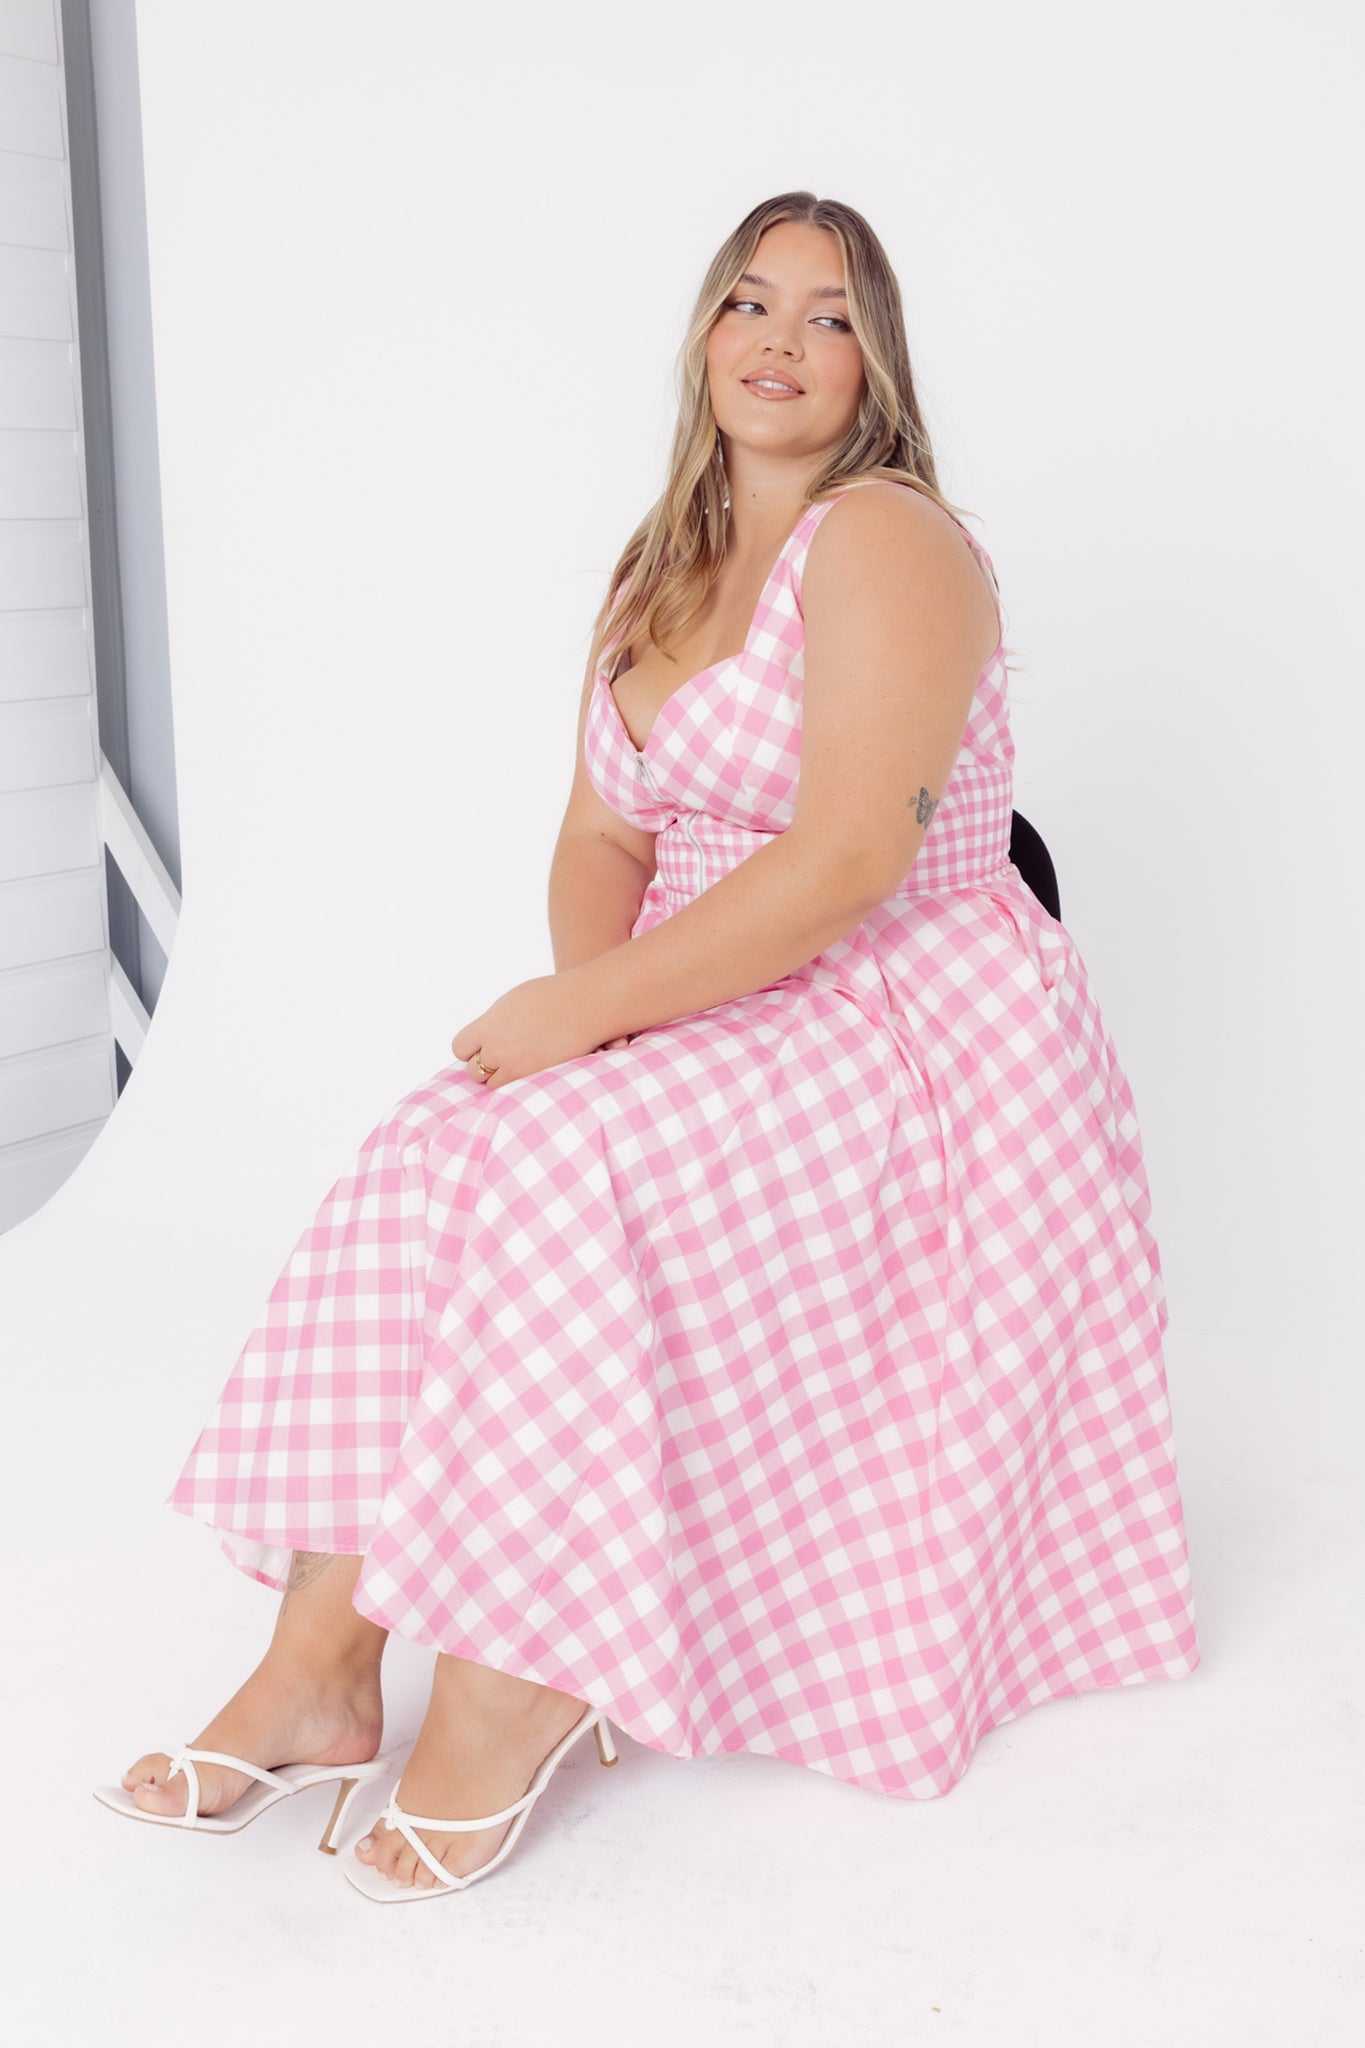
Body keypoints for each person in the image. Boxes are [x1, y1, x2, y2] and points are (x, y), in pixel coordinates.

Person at [96, 192, 1200, 1899]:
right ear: (703, 334)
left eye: (827, 316)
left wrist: (593, 1026)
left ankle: (516, 1680)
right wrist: (604, 1026)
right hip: (708, 988)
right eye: (748, 302)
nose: (778, 341)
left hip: (901, 1011)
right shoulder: (658, 563)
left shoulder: (888, 540)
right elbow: (603, 835)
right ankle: (320, 1661)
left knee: (555, 1148)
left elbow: (850, 862)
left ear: (876, 363)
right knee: (441, 1145)